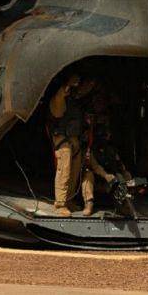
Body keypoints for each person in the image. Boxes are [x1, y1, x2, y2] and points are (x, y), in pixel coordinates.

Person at [48, 73, 97, 216]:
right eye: (87, 84)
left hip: (75, 139)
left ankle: (68, 200)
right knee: (64, 170)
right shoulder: (63, 97)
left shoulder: (80, 102)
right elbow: (57, 110)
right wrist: (67, 86)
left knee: (75, 172)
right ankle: (60, 204)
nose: (88, 88)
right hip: (63, 138)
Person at [80, 97, 133, 216]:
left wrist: (124, 175)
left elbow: (119, 165)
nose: (107, 136)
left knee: (124, 176)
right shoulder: (90, 149)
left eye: (108, 134)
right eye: (104, 134)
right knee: (88, 175)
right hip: (97, 180)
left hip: (109, 182)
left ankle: (122, 204)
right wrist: (106, 175)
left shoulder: (111, 150)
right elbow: (94, 166)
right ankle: (89, 203)